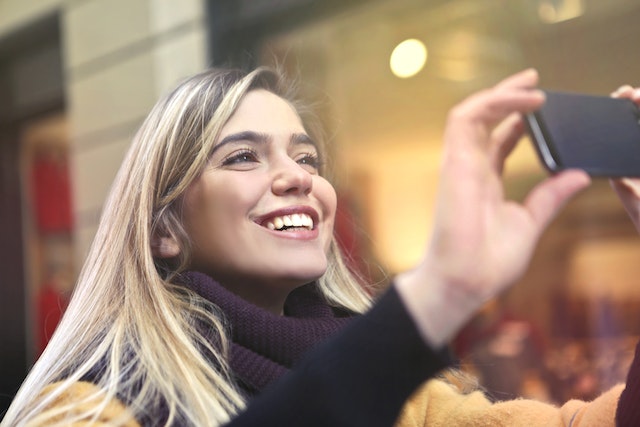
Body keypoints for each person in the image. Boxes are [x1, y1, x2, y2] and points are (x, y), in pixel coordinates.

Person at [0, 65, 635, 426]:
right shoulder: (89, 408)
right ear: (164, 229)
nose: (299, 175)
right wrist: (432, 299)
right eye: (243, 156)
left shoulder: (411, 398)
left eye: (307, 157)